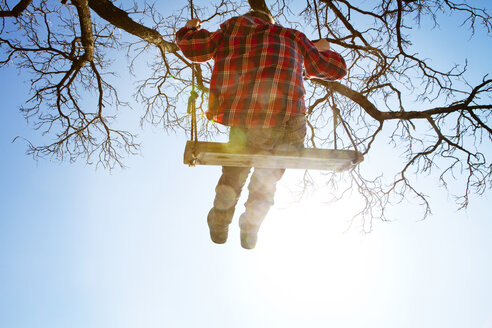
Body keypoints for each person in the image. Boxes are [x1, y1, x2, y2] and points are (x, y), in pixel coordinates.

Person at [176, 9, 347, 249]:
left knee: (234, 173)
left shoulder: (231, 29)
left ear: (249, 17)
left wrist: (190, 28)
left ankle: (221, 218)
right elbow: (336, 69)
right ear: (270, 21)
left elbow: (194, 48)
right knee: (268, 178)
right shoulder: (293, 37)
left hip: (247, 120)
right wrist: (323, 49)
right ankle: (251, 225)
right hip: (289, 124)